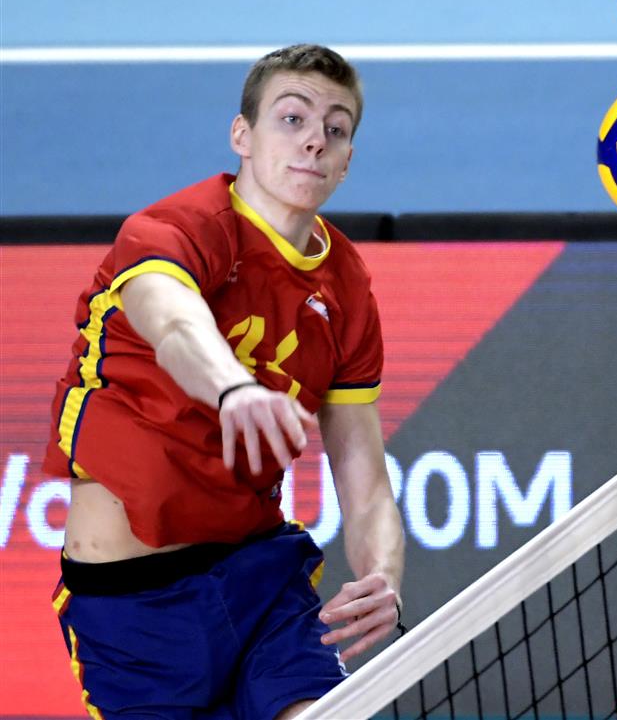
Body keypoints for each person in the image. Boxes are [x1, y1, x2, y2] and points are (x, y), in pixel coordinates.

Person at [44, 44, 405, 719]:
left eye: (335, 128)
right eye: (292, 118)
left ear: (348, 159)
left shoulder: (347, 286)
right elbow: (173, 322)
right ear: (242, 134)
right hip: (132, 612)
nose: (314, 140)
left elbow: (364, 476)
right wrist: (233, 390)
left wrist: (382, 572)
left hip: (261, 582)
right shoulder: (173, 229)